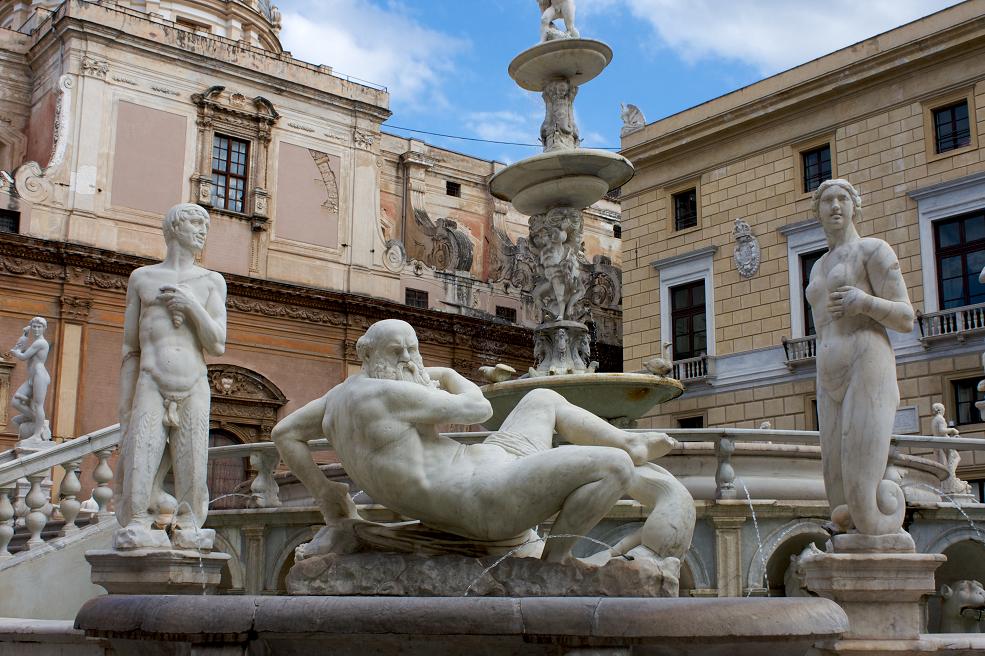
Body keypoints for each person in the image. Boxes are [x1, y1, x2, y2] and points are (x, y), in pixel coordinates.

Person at [273, 319, 678, 563]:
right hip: (486, 499)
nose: (411, 361)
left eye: (413, 351)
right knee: (614, 468)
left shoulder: (341, 395)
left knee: (542, 397)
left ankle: (630, 440)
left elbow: (283, 433)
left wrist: (326, 493)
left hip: (490, 463)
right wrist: (447, 374)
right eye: (401, 353)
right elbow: (477, 409)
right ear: (370, 354)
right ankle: (554, 563)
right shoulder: (386, 395)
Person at [806, 179, 915, 538]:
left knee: (864, 497)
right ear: (818, 211)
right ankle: (847, 557)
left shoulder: (873, 250)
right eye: (827, 201)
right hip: (827, 374)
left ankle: (882, 547)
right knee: (837, 494)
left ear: (855, 207)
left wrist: (864, 302)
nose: (835, 206)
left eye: (842, 199)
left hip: (866, 364)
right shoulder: (817, 267)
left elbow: (905, 316)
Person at [115, 203, 227, 550]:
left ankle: (191, 523)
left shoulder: (211, 282)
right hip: (151, 377)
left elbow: (217, 343)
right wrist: (124, 406)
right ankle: (136, 521)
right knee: (142, 452)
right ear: (174, 228)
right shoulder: (143, 279)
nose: (202, 230)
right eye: (195, 223)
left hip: (193, 381)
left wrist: (192, 306)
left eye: (204, 225)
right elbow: (130, 347)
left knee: (193, 459)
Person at [10, 316, 51, 443]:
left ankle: (37, 434)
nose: (37, 329)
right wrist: (25, 334)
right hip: (33, 377)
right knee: (15, 401)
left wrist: (15, 352)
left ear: (44, 328)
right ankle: (38, 421)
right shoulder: (34, 342)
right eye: (34, 326)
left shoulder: (40, 343)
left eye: (39, 327)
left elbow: (23, 356)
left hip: (40, 375)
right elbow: (22, 349)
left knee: (38, 405)